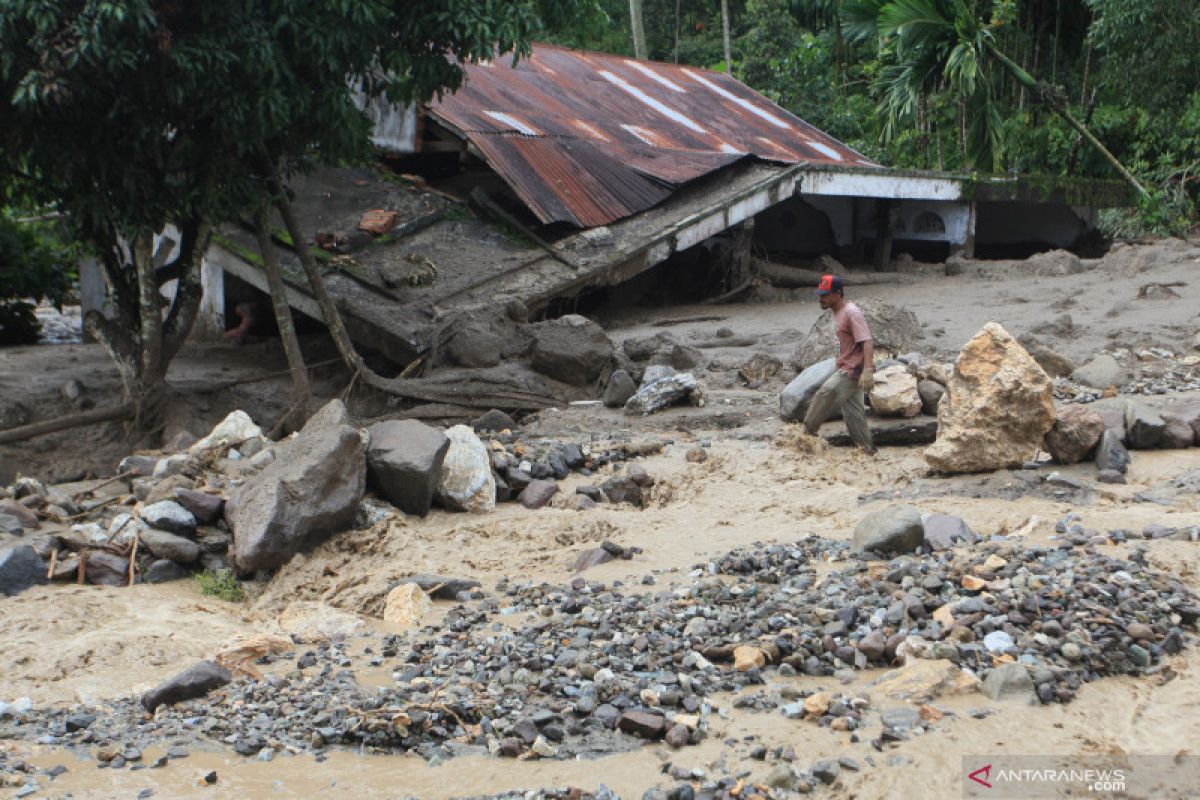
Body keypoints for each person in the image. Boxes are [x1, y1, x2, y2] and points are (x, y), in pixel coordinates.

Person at [803, 274, 877, 455]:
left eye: (825, 295)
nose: (821, 299)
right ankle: (866, 450)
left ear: (837, 294)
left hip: (853, 369)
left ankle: (806, 434)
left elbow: (867, 341)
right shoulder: (837, 312)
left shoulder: (852, 313)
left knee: (825, 392)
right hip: (846, 365)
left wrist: (867, 370)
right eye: (820, 295)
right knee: (853, 413)